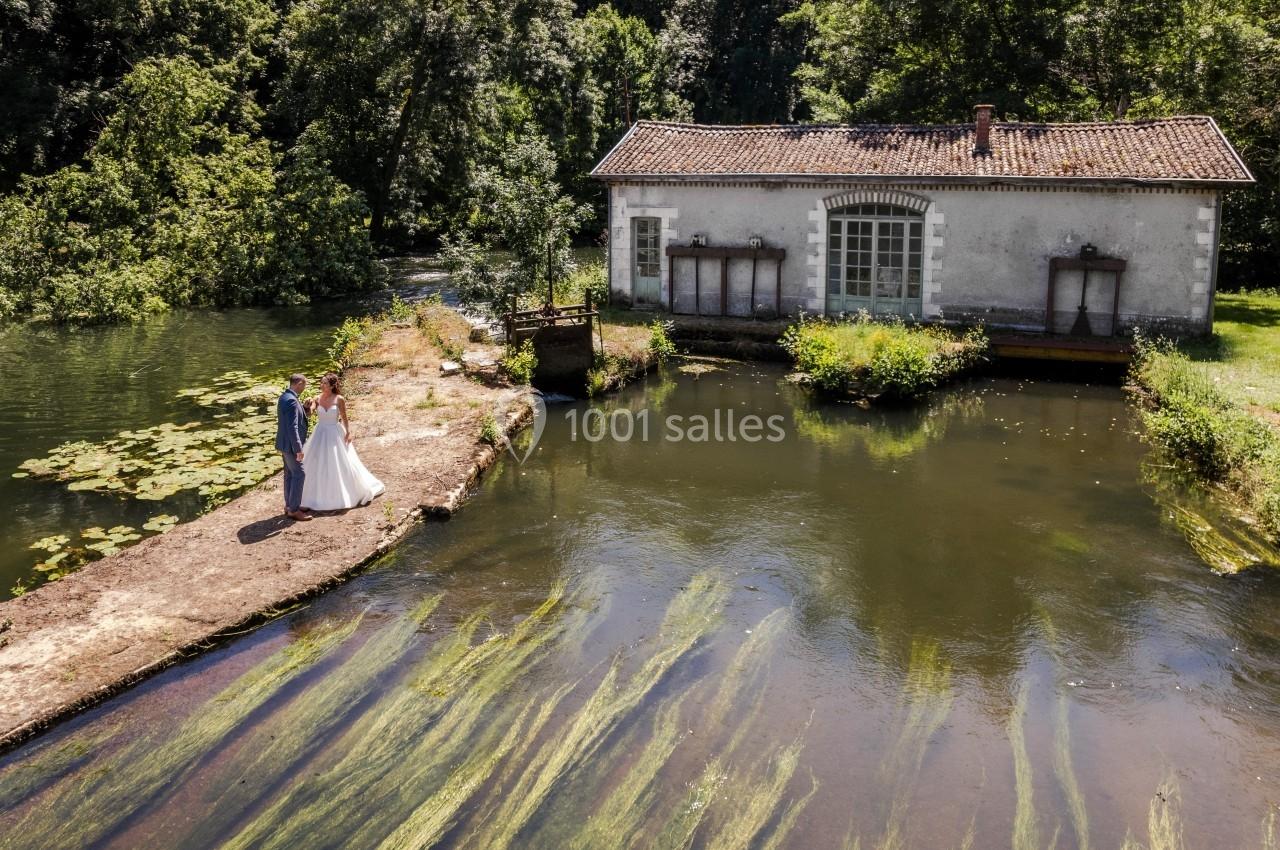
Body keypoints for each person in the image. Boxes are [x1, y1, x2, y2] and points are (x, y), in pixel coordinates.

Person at [300, 372, 385, 511]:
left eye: (324, 383)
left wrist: (348, 432)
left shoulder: (339, 399)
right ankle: (312, 496)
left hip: (335, 432)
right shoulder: (317, 398)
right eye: (321, 383)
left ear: (332, 385)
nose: (321, 385)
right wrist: (306, 406)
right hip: (320, 432)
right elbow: (309, 414)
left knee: (338, 461)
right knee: (316, 461)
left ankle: (342, 492)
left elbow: (344, 417)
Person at [275, 373, 313, 522]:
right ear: (298, 384)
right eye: (304, 385)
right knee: (299, 474)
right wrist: (298, 449)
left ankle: (290, 505)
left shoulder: (286, 397)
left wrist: (304, 407)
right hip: (290, 446)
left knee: (289, 474)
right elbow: (293, 427)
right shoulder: (291, 401)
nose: (305, 388)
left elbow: (292, 418)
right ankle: (294, 510)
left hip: (283, 443)